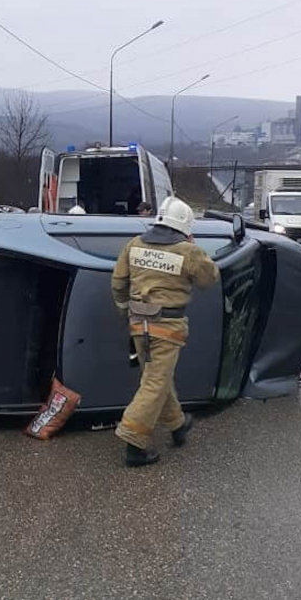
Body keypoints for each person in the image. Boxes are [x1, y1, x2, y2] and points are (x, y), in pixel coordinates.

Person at [111, 195, 219, 467]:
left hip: (138, 325)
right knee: (155, 382)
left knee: (157, 377)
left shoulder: (133, 245)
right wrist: (195, 248)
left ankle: (178, 425)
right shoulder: (187, 251)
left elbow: (118, 284)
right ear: (184, 225)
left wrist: (126, 314)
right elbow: (209, 279)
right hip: (167, 328)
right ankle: (134, 442)